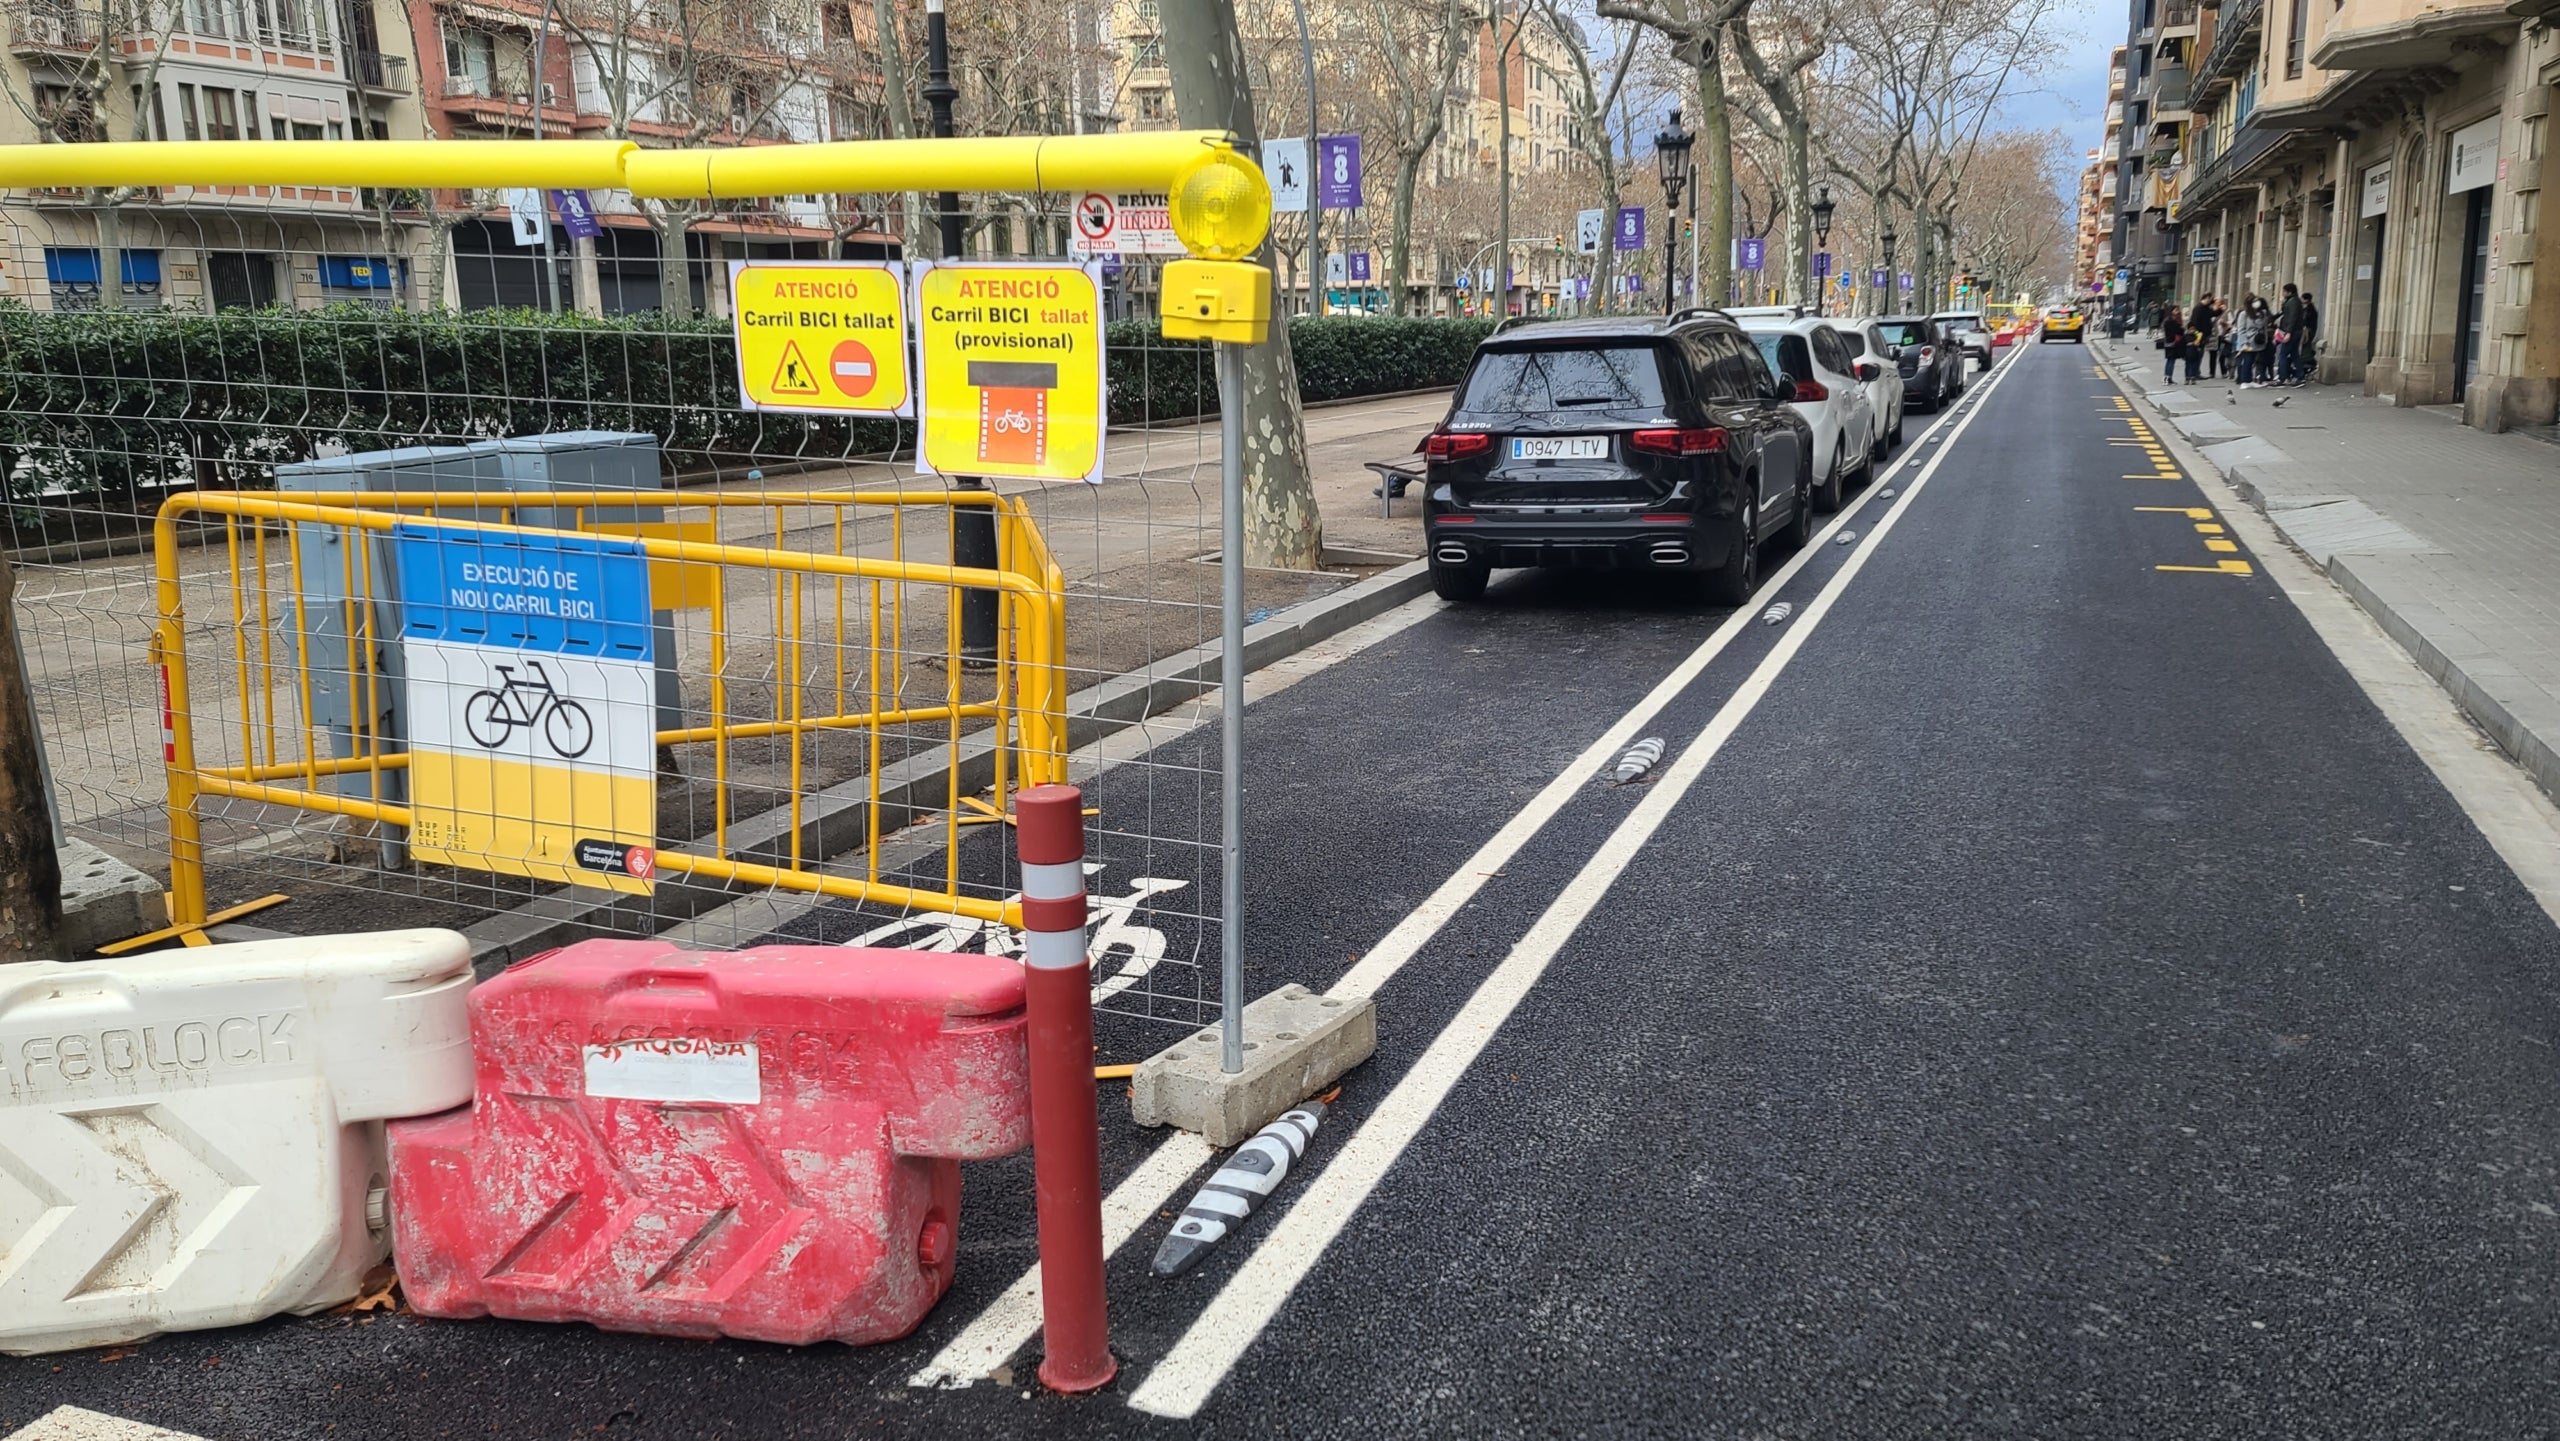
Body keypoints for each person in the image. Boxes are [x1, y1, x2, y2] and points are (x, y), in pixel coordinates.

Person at [2275, 283, 2304, 386]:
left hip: (2292, 332)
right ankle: (2300, 376)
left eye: (2284, 291)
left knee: (2283, 354)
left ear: (2289, 292)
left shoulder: (2293, 302)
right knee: (2294, 354)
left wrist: (2288, 333)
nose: (2282, 293)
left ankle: (2282, 377)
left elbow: (2292, 318)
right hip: (2295, 331)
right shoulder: (2293, 301)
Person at [2159, 304, 2190, 384]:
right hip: (2173, 342)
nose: (2177, 312)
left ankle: (2167, 376)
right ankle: (2168, 377)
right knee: (2171, 360)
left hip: (2168, 342)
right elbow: (2179, 330)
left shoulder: (2167, 320)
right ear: (2171, 311)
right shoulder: (2171, 321)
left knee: (2170, 360)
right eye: (2176, 310)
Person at [2295, 292, 2321, 386]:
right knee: (2304, 349)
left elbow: (2306, 321)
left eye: (2302, 299)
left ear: (2306, 300)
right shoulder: (2308, 309)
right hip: (2307, 332)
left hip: (2307, 332)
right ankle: (2307, 364)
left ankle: (2309, 364)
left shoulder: (2309, 310)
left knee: (2305, 349)